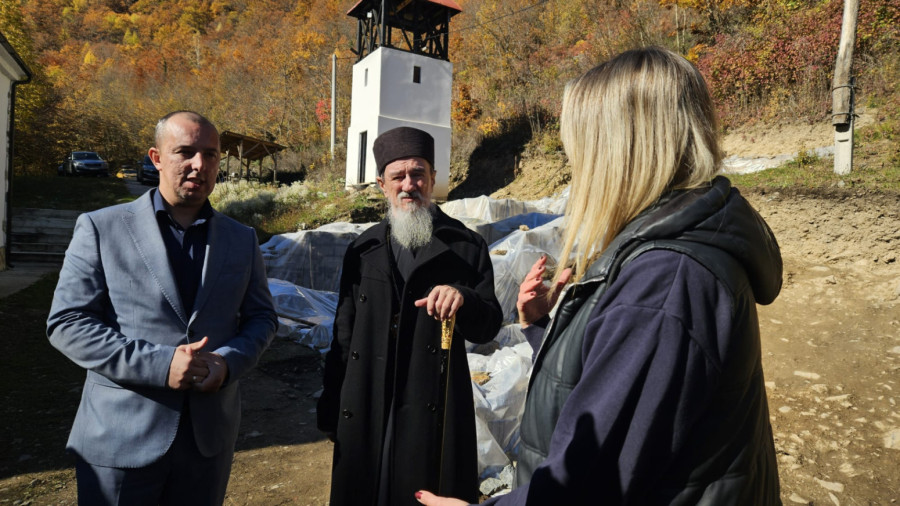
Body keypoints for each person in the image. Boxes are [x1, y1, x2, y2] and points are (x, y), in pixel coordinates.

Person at [417, 47, 783, 505]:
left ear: (620, 152)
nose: (579, 171)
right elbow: (627, 390)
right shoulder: (672, 251)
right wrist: (541, 330)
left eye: (581, 153)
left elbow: (591, 483)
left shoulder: (665, 281)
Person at [47, 110, 277, 505]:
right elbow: (67, 323)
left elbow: (262, 318)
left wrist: (227, 362)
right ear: (156, 157)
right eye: (184, 152)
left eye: (210, 154)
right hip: (121, 440)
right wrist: (159, 364)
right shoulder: (101, 227)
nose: (199, 165)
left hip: (208, 442)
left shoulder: (242, 239)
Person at [317, 126, 504, 505]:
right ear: (381, 184)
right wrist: (332, 403)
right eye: (397, 176)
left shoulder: (466, 247)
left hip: (432, 402)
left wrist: (463, 298)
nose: (409, 185)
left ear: (433, 178)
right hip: (368, 396)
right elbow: (344, 333)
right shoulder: (362, 249)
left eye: (418, 174)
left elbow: (488, 326)